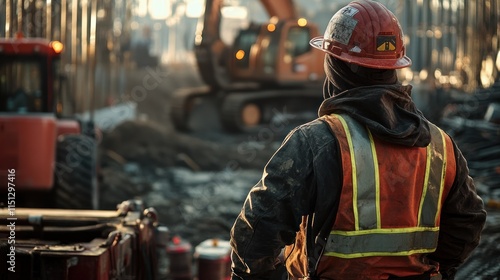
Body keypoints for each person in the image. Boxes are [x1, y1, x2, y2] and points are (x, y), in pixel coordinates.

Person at [229, 1, 487, 279]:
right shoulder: (441, 146)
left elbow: (254, 236)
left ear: (337, 66)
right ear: (393, 67)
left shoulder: (315, 142)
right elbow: (468, 222)